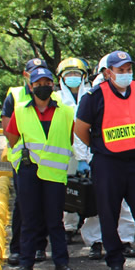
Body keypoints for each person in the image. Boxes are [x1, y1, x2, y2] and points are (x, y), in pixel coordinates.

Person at [74, 51, 135, 270]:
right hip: (108, 163)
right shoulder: (94, 96)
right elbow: (80, 129)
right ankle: (115, 261)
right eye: (120, 70)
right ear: (108, 73)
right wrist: (100, 148)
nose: (125, 74)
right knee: (109, 215)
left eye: (128, 70)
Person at [4, 66, 76, 270]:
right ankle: (26, 263)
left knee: (55, 220)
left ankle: (61, 263)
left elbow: (69, 139)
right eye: (38, 84)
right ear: (31, 85)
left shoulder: (65, 111)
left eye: (46, 83)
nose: (43, 87)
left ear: (52, 85)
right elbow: (12, 138)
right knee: (29, 218)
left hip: (53, 172)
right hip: (29, 171)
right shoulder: (21, 110)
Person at [57, 57, 94, 243]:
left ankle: (94, 238)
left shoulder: (92, 95)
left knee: (93, 195)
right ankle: (69, 227)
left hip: (91, 152)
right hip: (67, 154)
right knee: (69, 192)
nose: (73, 77)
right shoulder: (57, 99)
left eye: (77, 74)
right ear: (61, 78)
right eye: (69, 74)